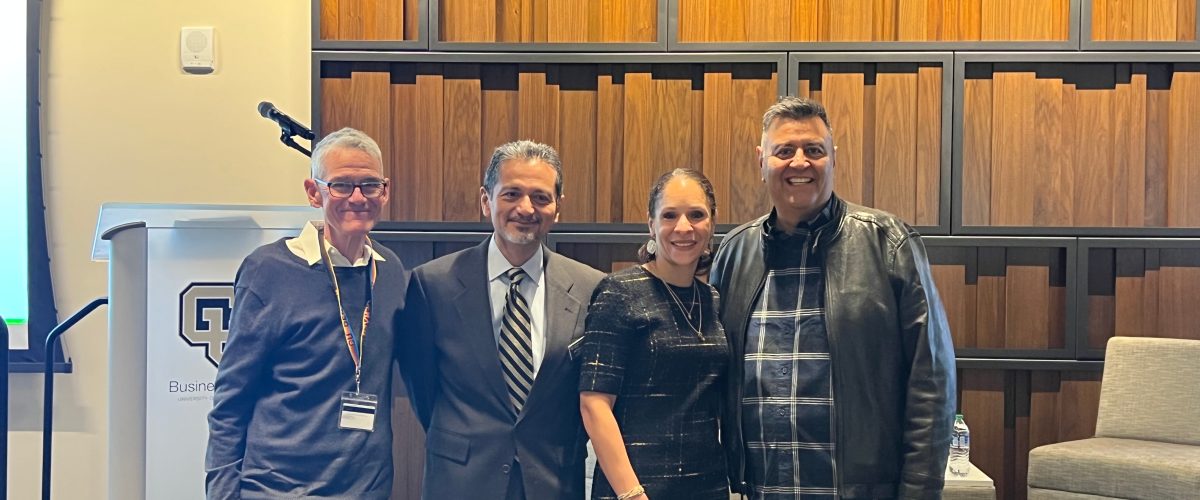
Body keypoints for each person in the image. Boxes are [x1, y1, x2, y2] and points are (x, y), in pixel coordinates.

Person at [710, 97, 956, 499]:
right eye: (784, 151)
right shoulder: (735, 253)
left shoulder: (888, 243)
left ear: (833, 158)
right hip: (761, 489)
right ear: (761, 160)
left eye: (814, 150)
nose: (800, 162)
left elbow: (931, 382)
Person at [205, 127, 408, 499]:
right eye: (342, 185)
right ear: (315, 193)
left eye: (370, 185)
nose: (358, 197)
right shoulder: (269, 271)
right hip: (278, 489)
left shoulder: (391, 270)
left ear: (386, 191)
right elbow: (230, 400)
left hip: (366, 489)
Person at [400, 140, 605, 500]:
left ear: (558, 208)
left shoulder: (590, 288)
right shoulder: (433, 284)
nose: (526, 208)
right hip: (460, 480)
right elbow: (423, 388)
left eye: (541, 197)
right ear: (486, 200)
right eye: (511, 193)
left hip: (553, 480)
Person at [578, 168, 730, 500]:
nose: (683, 227)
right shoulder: (619, 292)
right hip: (634, 487)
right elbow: (594, 404)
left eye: (696, 215)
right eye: (670, 215)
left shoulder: (713, 300)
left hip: (707, 485)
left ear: (712, 224)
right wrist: (632, 493)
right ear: (651, 225)